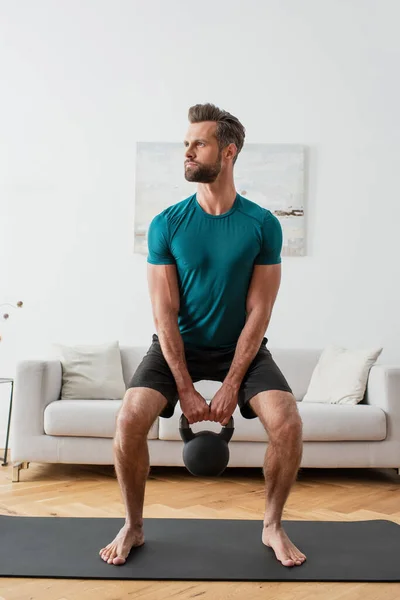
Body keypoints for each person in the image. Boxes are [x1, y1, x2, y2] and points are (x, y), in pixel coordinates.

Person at [100, 103, 306, 568]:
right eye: (186, 144)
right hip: (178, 347)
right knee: (130, 418)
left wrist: (233, 383)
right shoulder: (167, 223)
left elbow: (260, 310)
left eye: (199, 144)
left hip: (242, 349)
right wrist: (186, 387)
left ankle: (272, 525)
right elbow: (164, 313)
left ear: (228, 152)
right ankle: (133, 524)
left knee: (288, 424)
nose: (188, 153)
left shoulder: (262, 224)